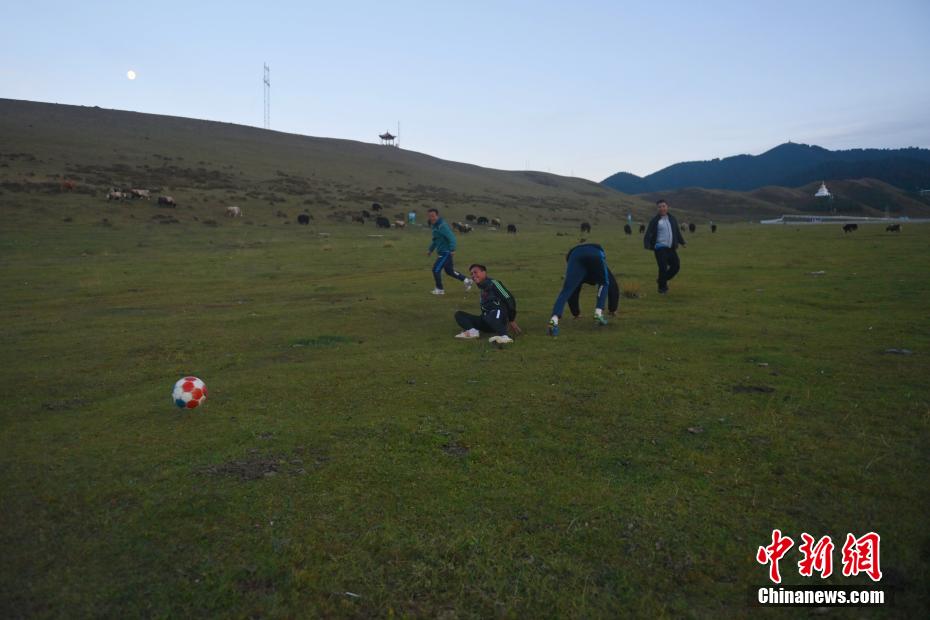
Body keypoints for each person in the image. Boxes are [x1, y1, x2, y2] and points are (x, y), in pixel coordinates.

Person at [547, 243, 617, 336]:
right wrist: (613, 309)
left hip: (575, 256)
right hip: (595, 254)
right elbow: (613, 286)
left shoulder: (573, 257)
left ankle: (554, 319)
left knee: (567, 290)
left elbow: (573, 292)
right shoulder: (598, 253)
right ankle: (598, 313)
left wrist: (575, 313)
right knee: (604, 283)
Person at [454, 264, 521, 344]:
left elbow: (509, 299)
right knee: (459, 315)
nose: (473, 275)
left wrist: (511, 319)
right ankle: (472, 332)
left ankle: (505, 336)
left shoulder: (494, 283)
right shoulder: (482, 288)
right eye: (471, 274)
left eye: (475, 272)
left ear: (484, 272)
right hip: (487, 320)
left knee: (492, 313)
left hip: (497, 317)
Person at [643, 199, 686, 294]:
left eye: (663, 206)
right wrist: (647, 244)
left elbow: (677, 232)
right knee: (663, 268)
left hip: (671, 248)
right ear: (657, 208)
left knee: (676, 266)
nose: (662, 208)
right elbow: (649, 233)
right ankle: (662, 288)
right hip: (660, 248)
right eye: (659, 207)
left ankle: (661, 280)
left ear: (667, 207)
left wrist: (682, 242)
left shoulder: (672, 219)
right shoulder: (655, 221)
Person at [426, 208, 472, 295]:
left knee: (436, 269)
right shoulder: (435, 227)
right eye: (429, 216)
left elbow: (452, 238)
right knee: (449, 271)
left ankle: (439, 289)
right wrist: (430, 250)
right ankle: (467, 280)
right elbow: (435, 240)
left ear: (437, 216)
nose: (431, 218)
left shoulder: (442, 226)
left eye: (433, 216)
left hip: (446, 252)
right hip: (442, 252)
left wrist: (452, 249)